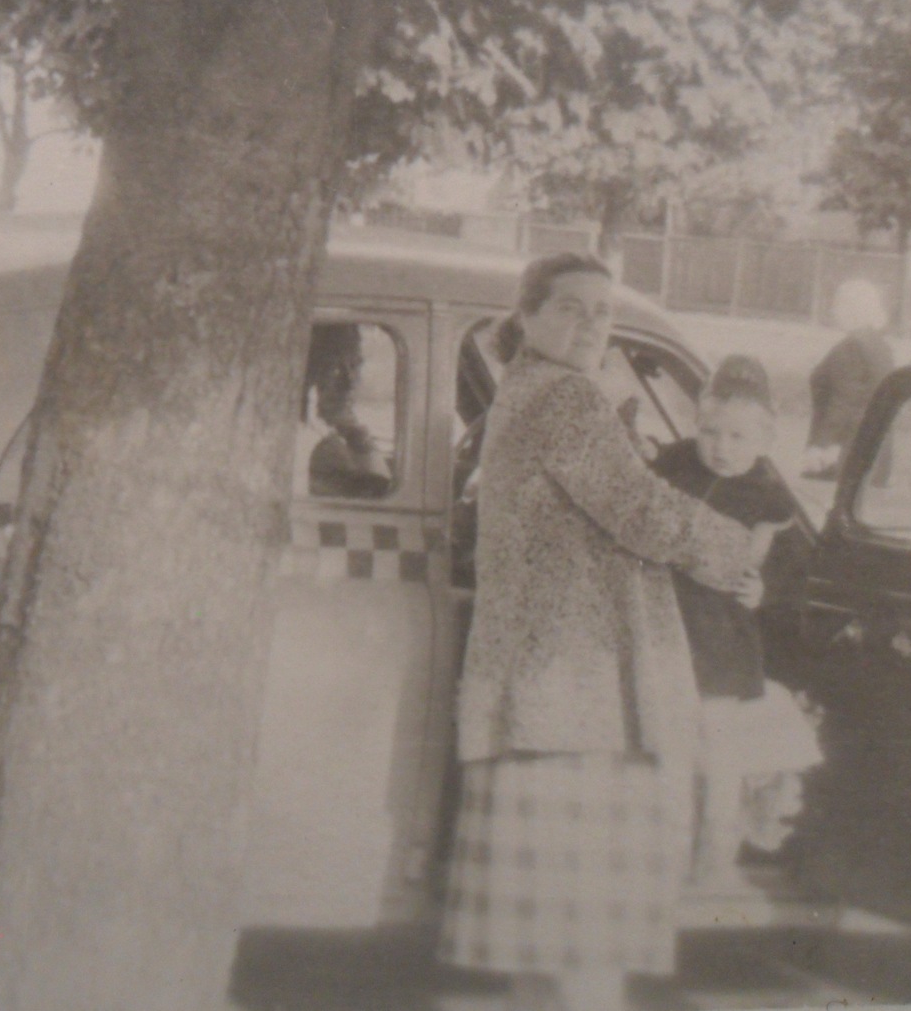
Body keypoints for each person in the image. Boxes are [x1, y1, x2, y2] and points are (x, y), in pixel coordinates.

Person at [440, 252, 760, 1011]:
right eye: (570, 307)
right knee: (591, 942)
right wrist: (738, 551)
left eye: (603, 312)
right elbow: (641, 507)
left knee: (541, 941)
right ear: (526, 317)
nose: (591, 324)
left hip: (536, 693)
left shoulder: (522, 390)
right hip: (582, 698)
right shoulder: (566, 400)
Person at [650, 355, 821, 889]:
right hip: (666, 635)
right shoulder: (673, 467)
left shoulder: (769, 496)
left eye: (739, 437)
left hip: (722, 647)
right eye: (710, 432)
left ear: (766, 439)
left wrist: (766, 590)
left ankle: (710, 868)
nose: (722, 447)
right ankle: (661, 866)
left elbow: (798, 570)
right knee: (666, 763)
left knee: (719, 766)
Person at [803, 279, 895, 480]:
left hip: (843, 449)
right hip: (875, 446)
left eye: (838, 304)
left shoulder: (851, 348)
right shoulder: (880, 346)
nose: (833, 311)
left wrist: (821, 446)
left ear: (855, 309)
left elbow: (843, 403)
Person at [303, 323, 394, 499]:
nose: (352, 379)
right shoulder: (321, 445)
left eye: (356, 363)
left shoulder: (344, 437)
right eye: (338, 368)